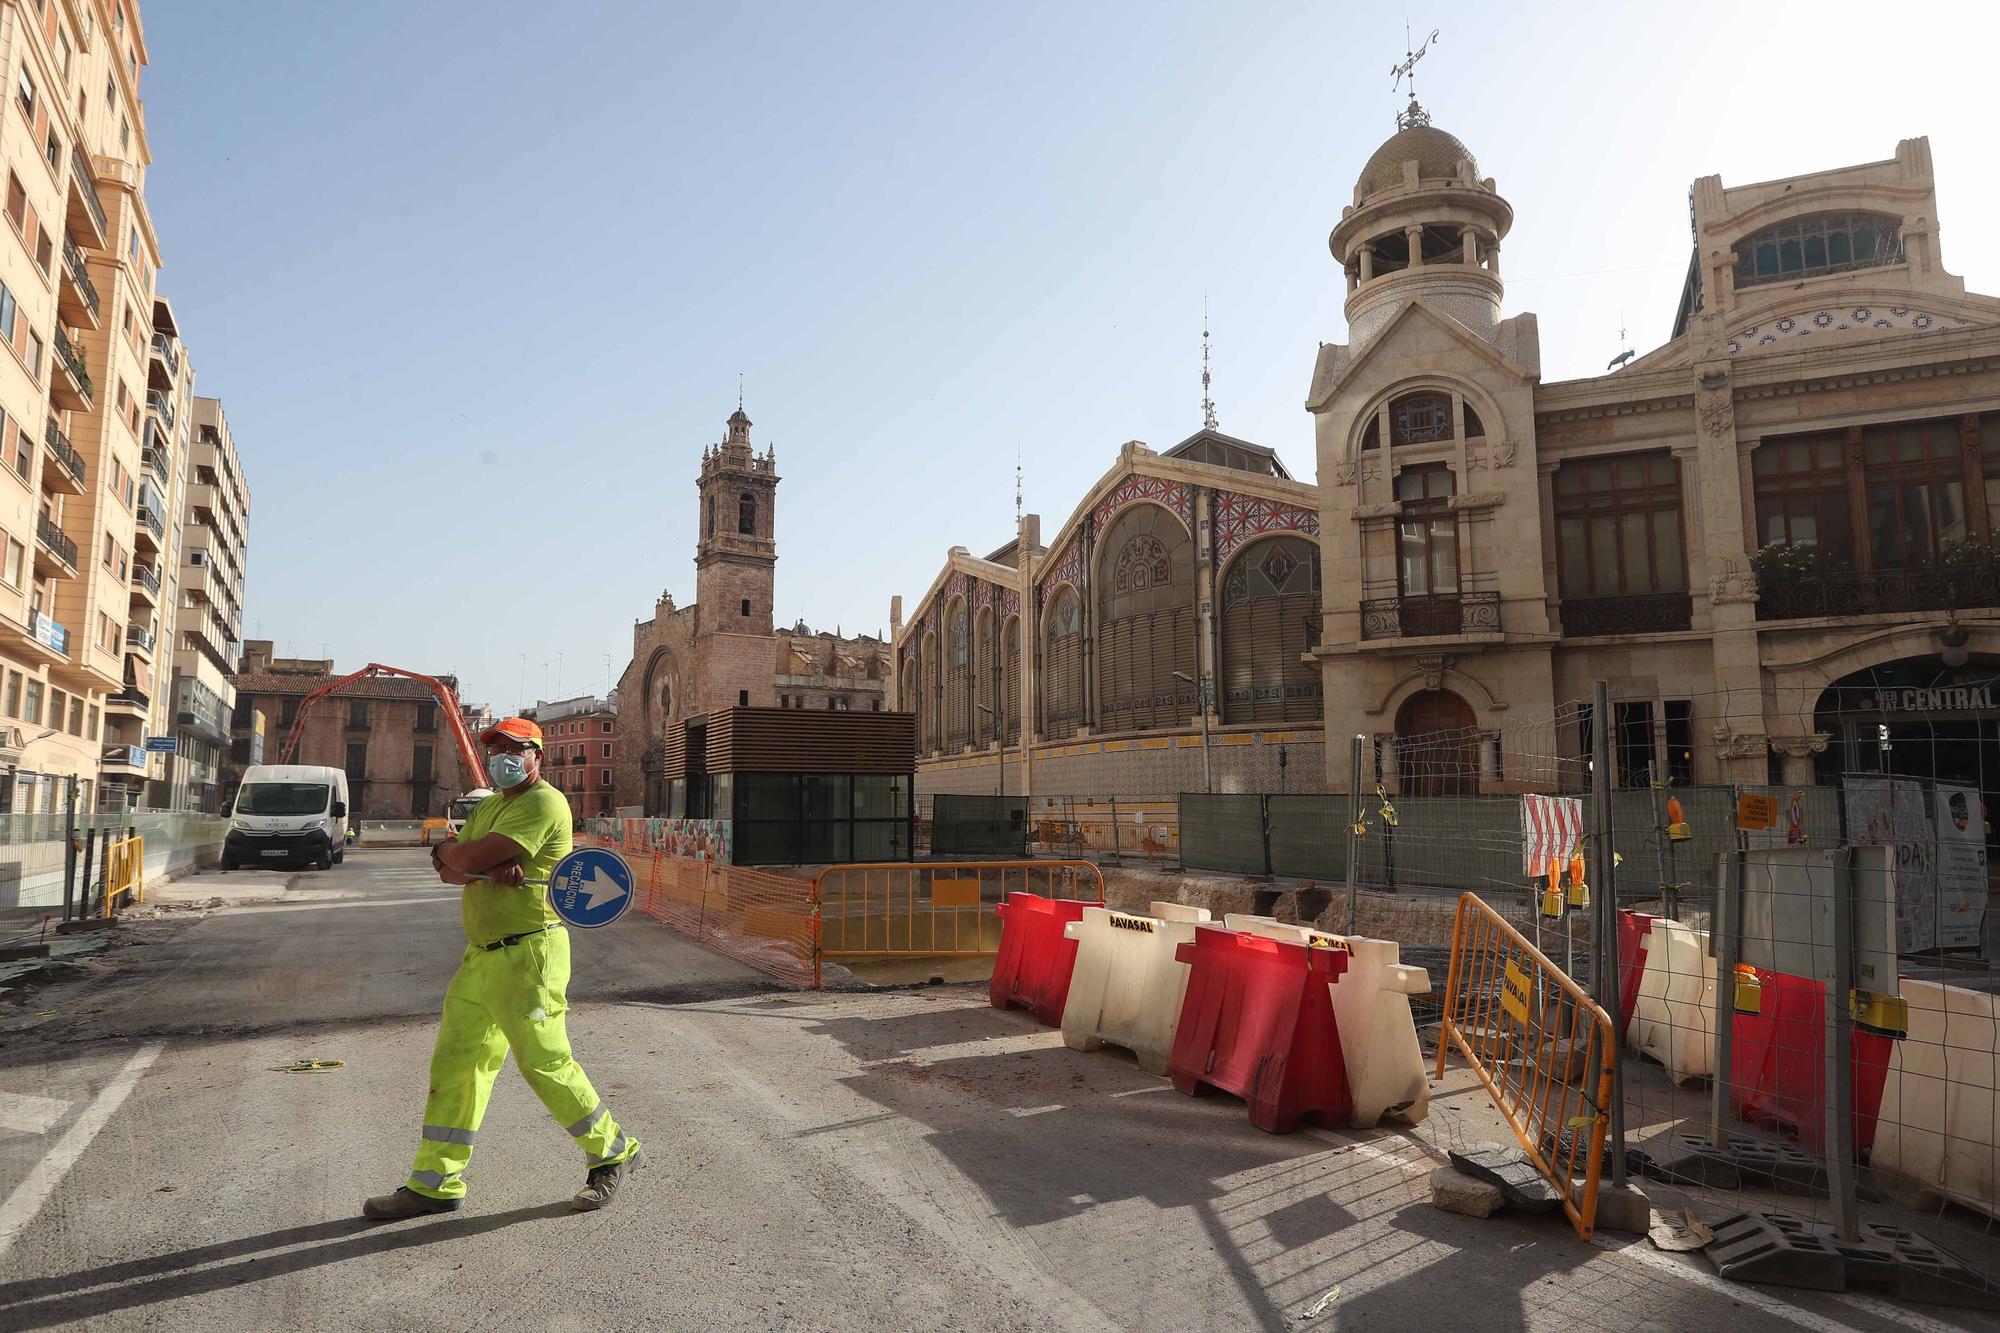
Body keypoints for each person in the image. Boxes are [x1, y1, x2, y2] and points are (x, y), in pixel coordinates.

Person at [363, 716, 642, 1219]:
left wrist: (461, 854)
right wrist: (460, 857)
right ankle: (436, 1183)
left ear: (538, 755)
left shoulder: (543, 802)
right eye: (494, 749)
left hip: (529, 953)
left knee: (546, 1063)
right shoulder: (490, 805)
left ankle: (613, 1151)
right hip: (482, 957)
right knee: (457, 1065)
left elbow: (465, 855)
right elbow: (450, 871)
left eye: (514, 749)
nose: (501, 758)